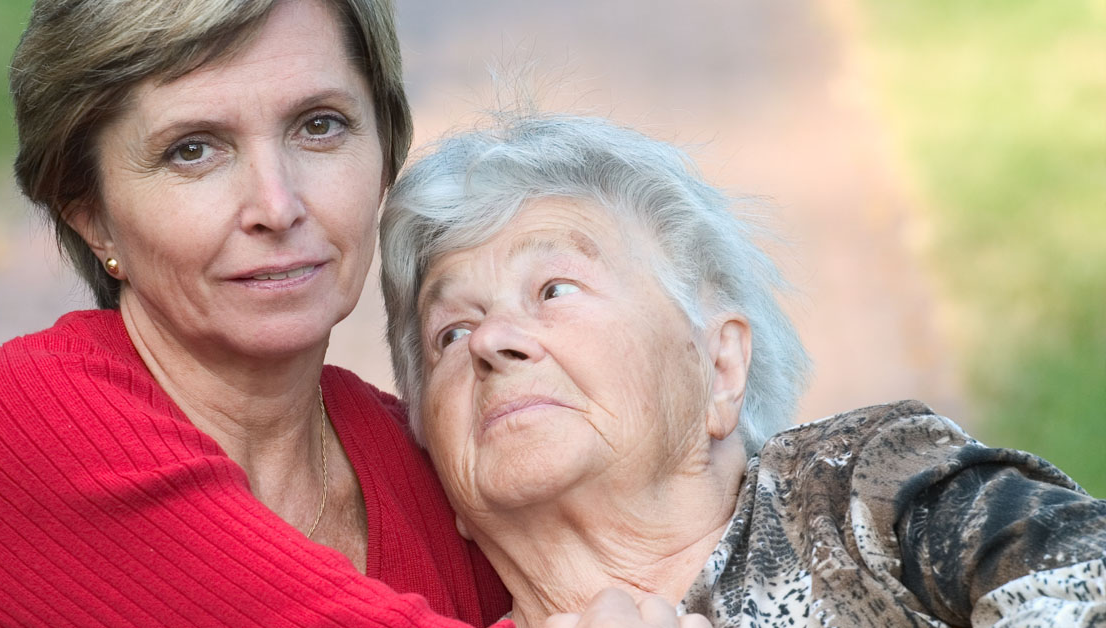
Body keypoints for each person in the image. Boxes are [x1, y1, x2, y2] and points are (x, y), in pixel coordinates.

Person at [0, 0, 521, 625]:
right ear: (91, 215)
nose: (277, 207)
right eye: (193, 150)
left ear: (386, 152)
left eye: (319, 125)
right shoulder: (21, 423)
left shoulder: (426, 464)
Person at [379, 113, 1106, 627]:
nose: (492, 341)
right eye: (451, 331)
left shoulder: (855, 495)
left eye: (553, 290)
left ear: (719, 365)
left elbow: (1084, 578)